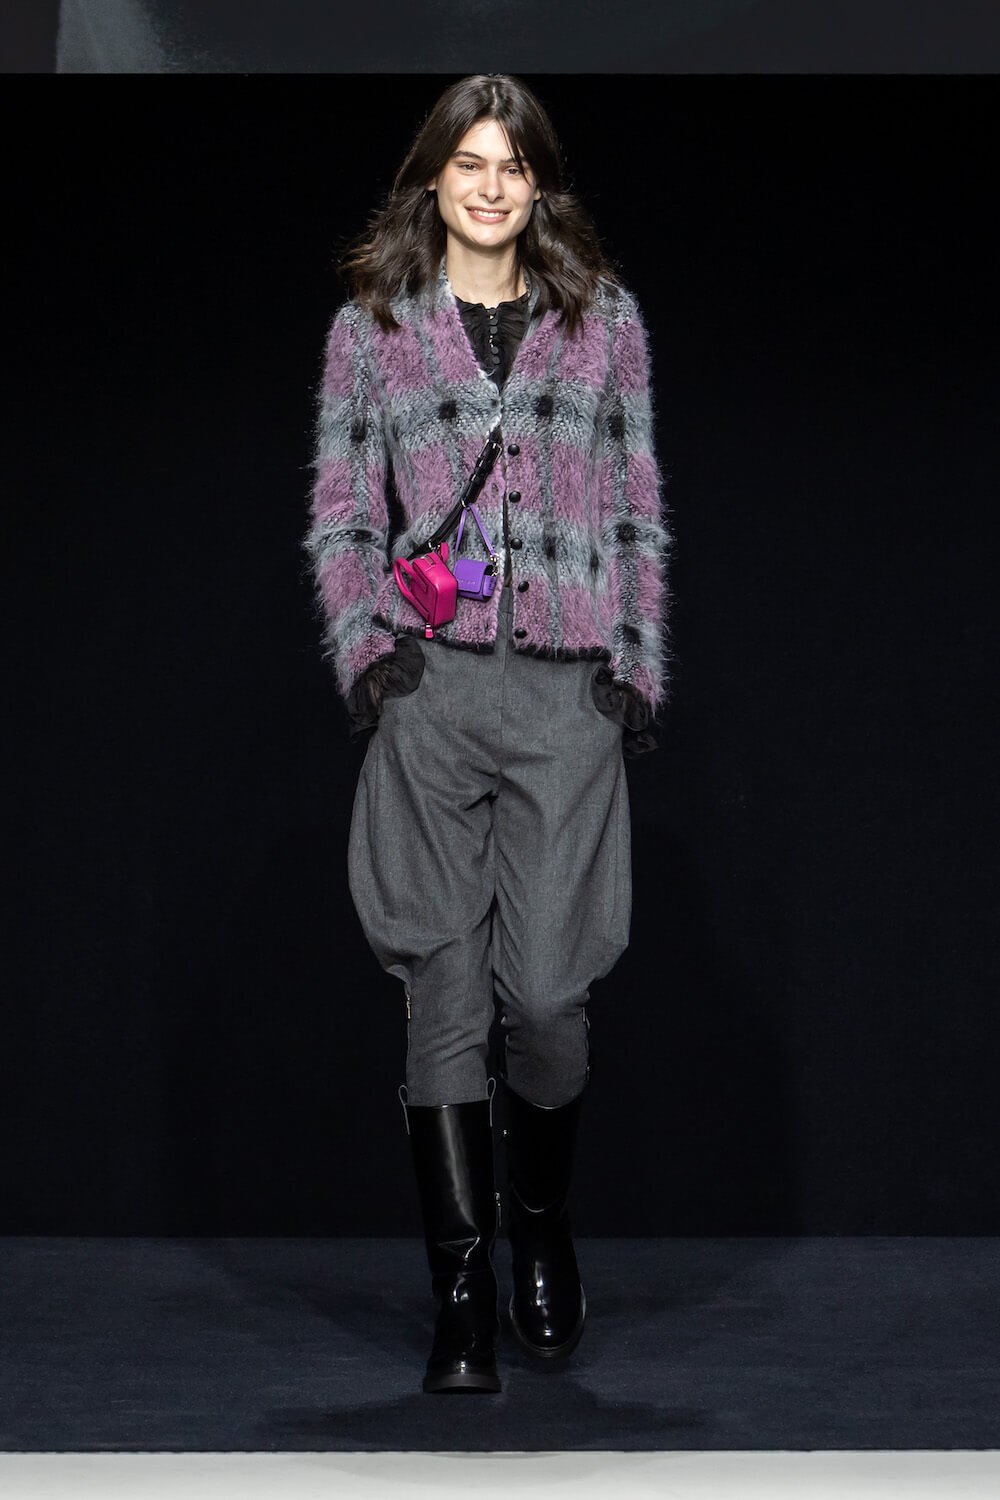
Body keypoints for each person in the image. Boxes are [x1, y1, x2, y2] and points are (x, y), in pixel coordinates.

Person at [302, 73, 673, 1395]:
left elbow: (633, 502)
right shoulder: (373, 329)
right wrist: (369, 654)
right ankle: (462, 1299)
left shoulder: (600, 321)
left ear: (538, 183)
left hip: (567, 692)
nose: (492, 186)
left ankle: (542, 1220)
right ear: (434, 177)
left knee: (552, 996)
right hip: (436, 686)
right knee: (443, 994)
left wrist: (634, 663)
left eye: (513, 165)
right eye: (470, 162)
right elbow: (345, 512)